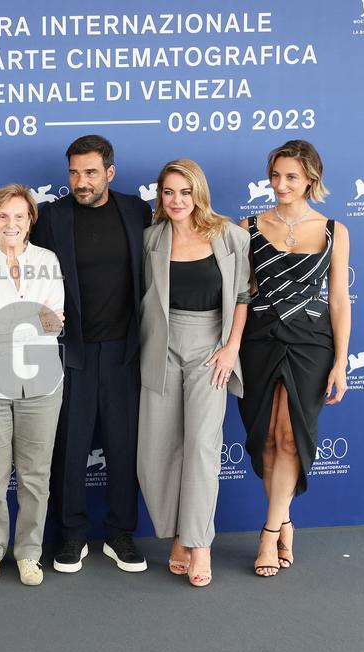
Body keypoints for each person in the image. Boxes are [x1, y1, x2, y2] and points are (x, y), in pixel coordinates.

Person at [30, 135, 151, 574]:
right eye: (74, 173)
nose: (81, 182)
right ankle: (72, 534)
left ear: (110, 173)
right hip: (70, 352)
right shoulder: (51, 217)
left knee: (123, 446)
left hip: (125, 351)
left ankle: (121, 533)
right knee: (70, 445)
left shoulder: (137, 212)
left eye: (90, 173)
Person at [136, 159, 251, 587]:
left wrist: (231, 348)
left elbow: (242, 295)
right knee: (158, 449)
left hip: (211, 349)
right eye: (168, 192)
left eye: (185, 192)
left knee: (202, 447)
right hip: (161, 347)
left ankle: (199, 542)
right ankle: (178, 536)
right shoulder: (151, 238)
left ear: (199, 193)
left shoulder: (229, 236)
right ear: (160, 197)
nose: (177, 201)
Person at [238, 140, 350, 577]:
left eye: (291, 177)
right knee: (266, 437)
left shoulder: (333, 230)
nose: (281, 185)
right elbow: (241, 295)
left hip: (310, 343)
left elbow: (339, 300)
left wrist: (341, 362)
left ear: (310, 180)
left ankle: (267, 535)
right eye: (276, 175)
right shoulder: (246, 226)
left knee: (290, 438)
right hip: (260, 340)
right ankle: (285, 520)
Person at [0, 184, 64, 586]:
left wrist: (6, 328)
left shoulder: (48, 261)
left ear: (30, 222)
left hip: (40, 382)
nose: (11, 223)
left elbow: (54, 323)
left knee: (36, 476)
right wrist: (28, 323)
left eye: (19, 216)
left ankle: (29, 554)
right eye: (3, 216)